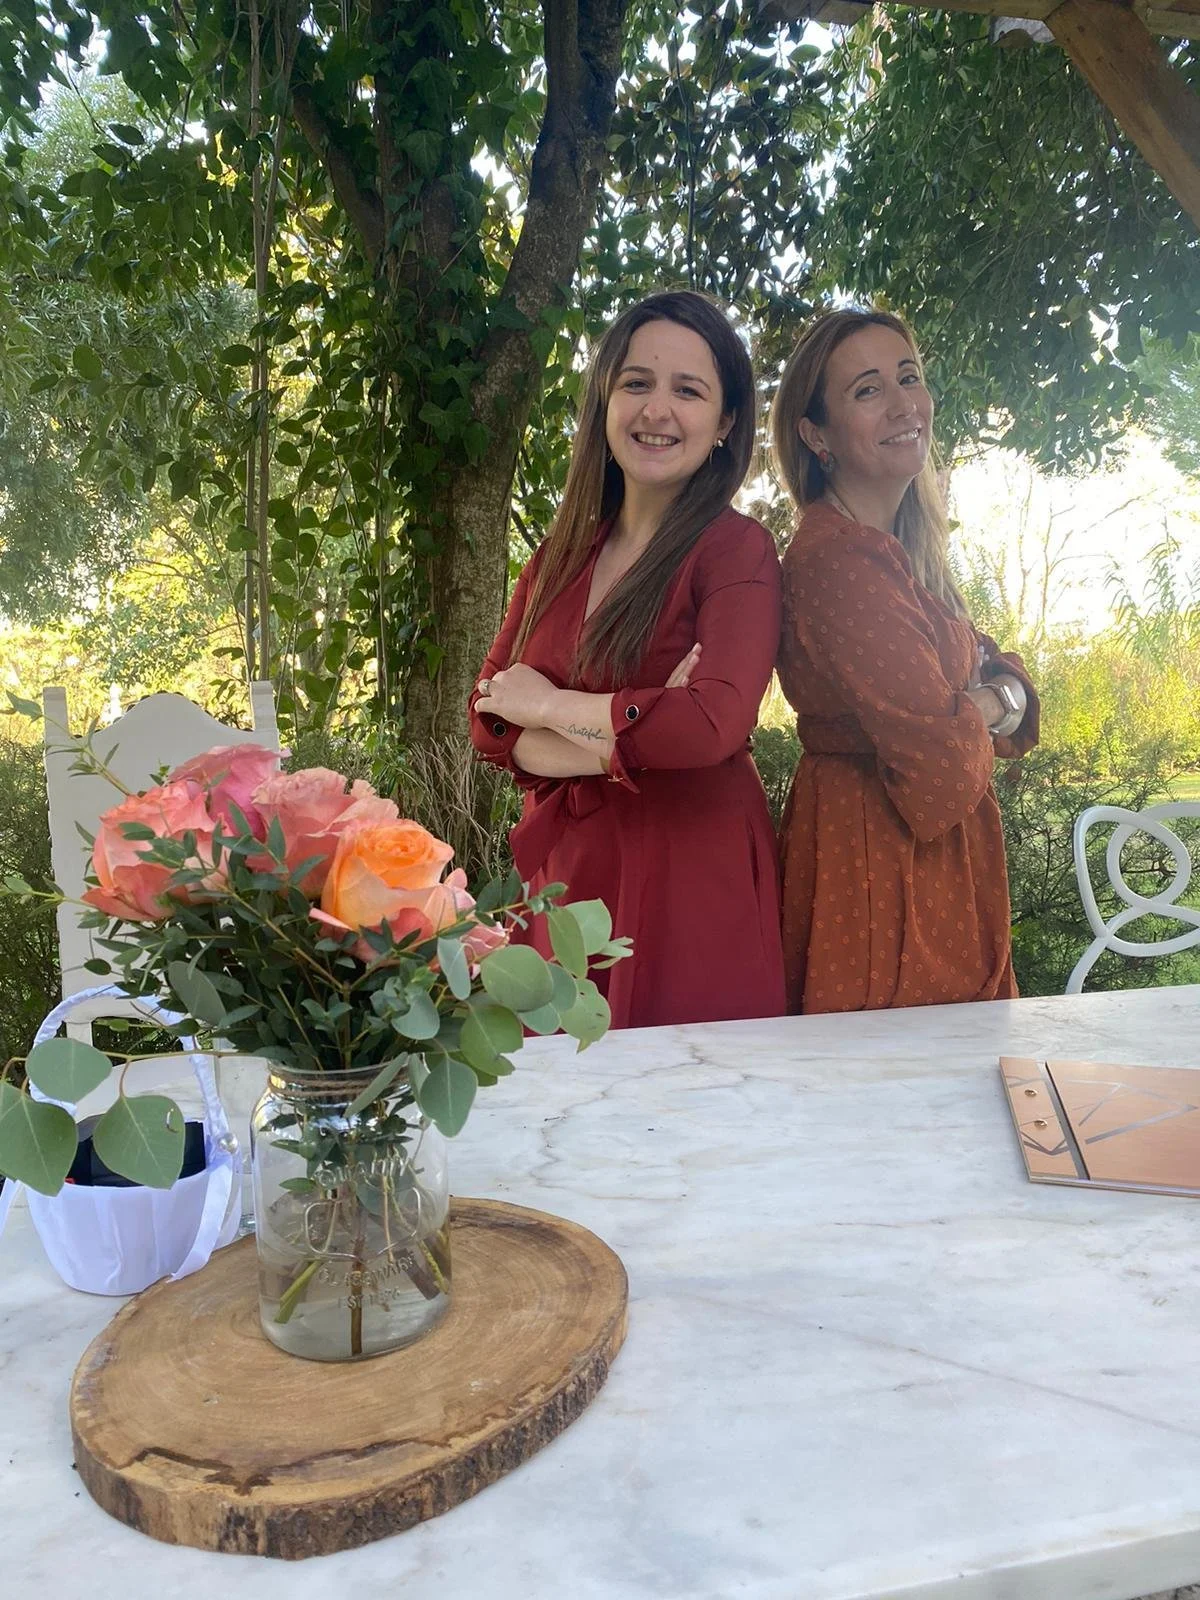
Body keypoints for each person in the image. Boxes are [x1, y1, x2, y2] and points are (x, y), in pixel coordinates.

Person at [469, 290, 785, 1028]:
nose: (657, 409)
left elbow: (710, 726)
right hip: (568, 875)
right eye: (637, 382)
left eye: (689, 390)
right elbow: (487, 722)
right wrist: (637, 725)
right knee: (563, 1081)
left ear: (726, 421)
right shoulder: (557, 558)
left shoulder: (737, 551)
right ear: (605, 400)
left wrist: (548, 708)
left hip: (690, 876)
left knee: (690, 1087)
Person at [771, 307, 1039, 1014]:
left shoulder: (903, 555)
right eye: (867, 390)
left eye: (908, 377)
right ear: (816, 434)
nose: (902, 404)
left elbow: (998, 684)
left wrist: (988, 700)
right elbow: (939, 769)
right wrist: (993, 700)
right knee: (894, 1070)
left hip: (926, 866)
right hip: (879, 866)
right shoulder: (841, 562)